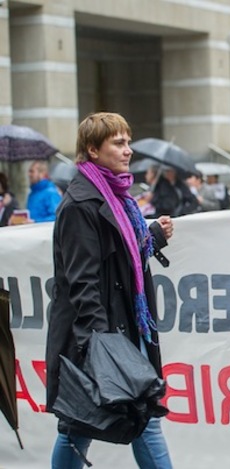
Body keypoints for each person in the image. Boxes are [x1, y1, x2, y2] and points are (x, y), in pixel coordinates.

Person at [46, 112, 174, 468]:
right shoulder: (80, 205)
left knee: (116, 422)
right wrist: (100, 346)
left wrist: (152, 237)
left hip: (125, 328)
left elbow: (118, 251)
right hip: (101, 335)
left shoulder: (115, 195)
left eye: (128, 141)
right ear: (92, 149)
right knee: (78, 426)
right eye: (118, 143)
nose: (128, 150)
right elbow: (82, 280)